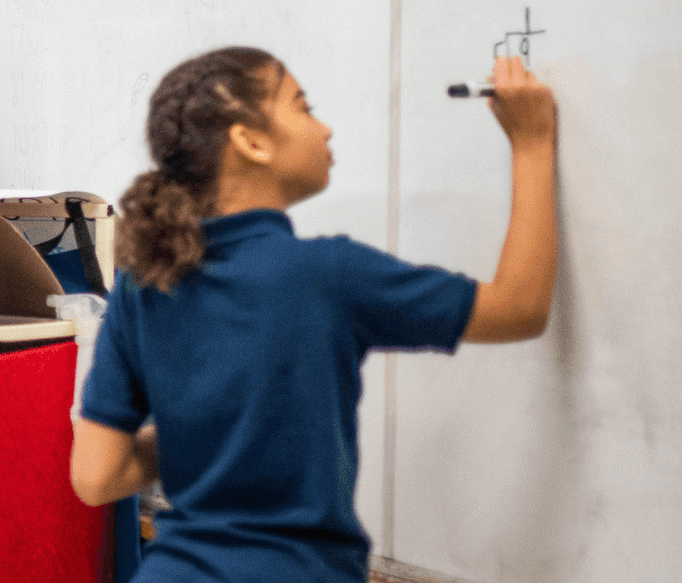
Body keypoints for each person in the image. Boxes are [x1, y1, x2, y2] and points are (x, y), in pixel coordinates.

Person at [68, 48, 556, 582]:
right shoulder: (328, 274)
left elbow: (97, 476)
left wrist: (208, 430)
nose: (324, 129)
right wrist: (531, 143)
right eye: (304, 107)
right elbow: (519, 308)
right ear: (249, 141)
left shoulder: (143, 284)